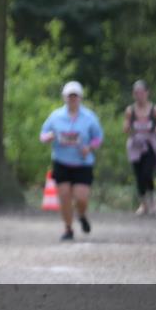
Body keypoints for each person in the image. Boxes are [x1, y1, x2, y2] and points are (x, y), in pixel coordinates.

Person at [39, 81, 104, 241]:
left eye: (75, 96)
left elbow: (98, 137)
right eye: (69, 96)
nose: (72, 99)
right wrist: (49, 137)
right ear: (64, 97)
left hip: (82, 163)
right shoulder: (55, 116)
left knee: (81, 197)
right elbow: (43, 134)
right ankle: (68, 228)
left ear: (80, 98)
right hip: (61, 162)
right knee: (65, 196)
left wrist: (89, 148)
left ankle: (81, 215)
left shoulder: (89, 117)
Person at [123, 79, 156, 216]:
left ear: (147, 93)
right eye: (136, 93)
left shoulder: (155, 109)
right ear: (133, 94)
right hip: (136, 145)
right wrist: (127, 128)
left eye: (141, 93)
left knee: (147, 173)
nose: (139, 95)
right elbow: (126, 126)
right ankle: (143, 204)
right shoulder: (130, 110)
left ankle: (153, 201)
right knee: (138, 176)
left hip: (150, 145)